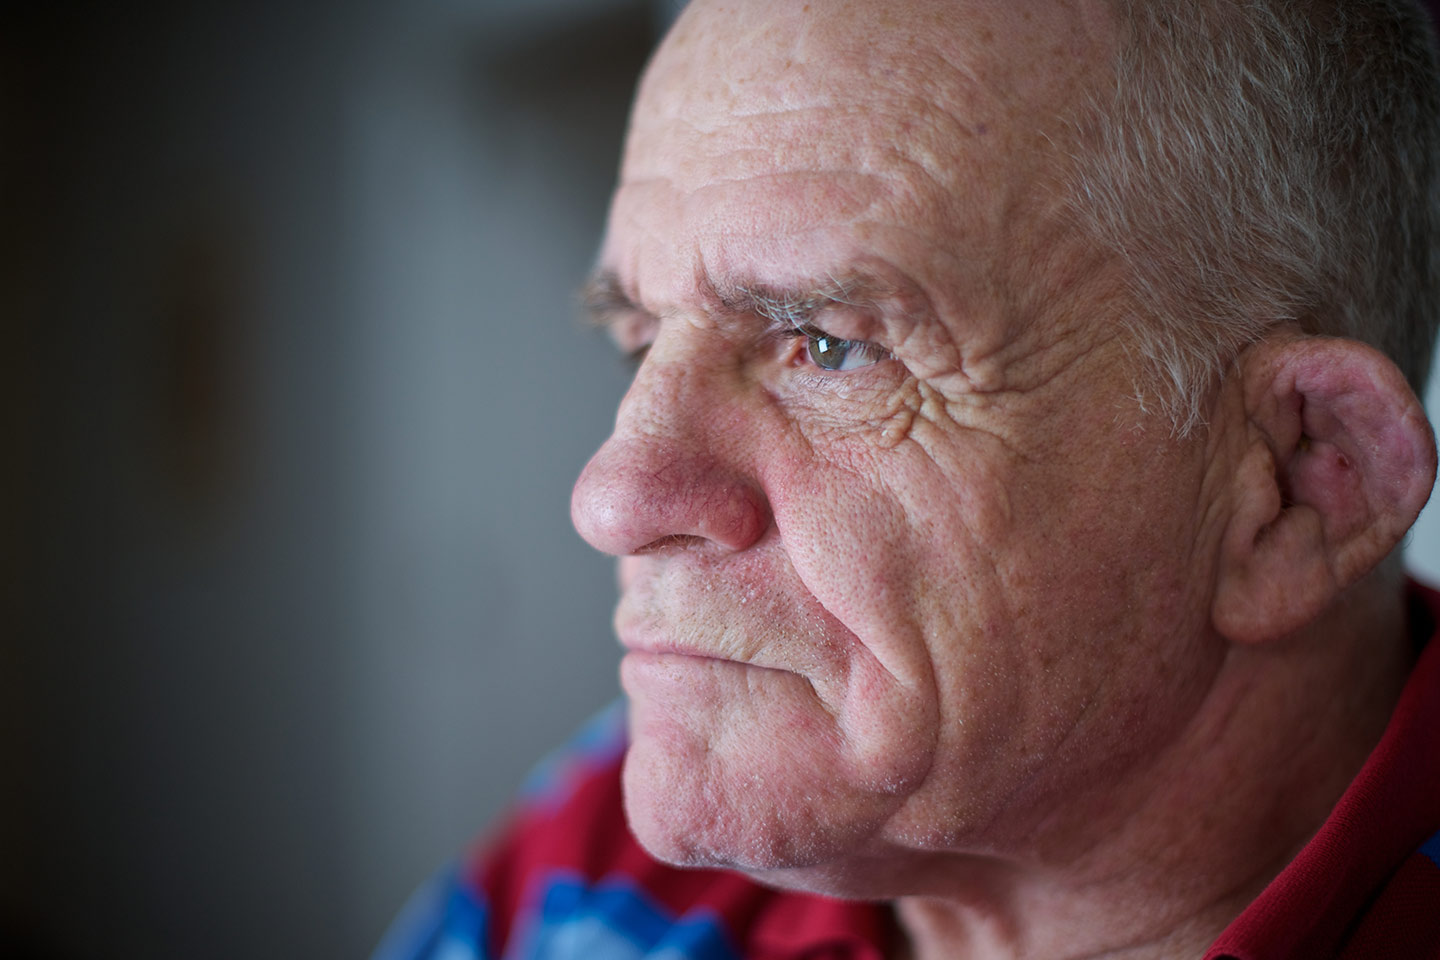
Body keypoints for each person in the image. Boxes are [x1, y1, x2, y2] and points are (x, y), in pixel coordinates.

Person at [374, 0, 1440, 957]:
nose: (611, 497)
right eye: (640, 338)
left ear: (1300, 487)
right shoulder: (580, 867)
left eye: (830, 345)